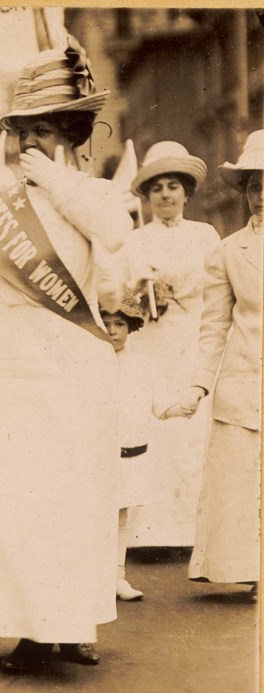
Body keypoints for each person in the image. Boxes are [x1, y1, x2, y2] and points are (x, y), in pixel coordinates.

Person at [0, 38, 132, 672]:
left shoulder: (93, 195)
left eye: (42, 132)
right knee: (18, 495)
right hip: (14, 362)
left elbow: (117, 233)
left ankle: (72, 623)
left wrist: (56, 180)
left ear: (70, 133)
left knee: (76, 496)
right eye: (23, 134)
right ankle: (27, 627)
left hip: (75, 362)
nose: (29, 146)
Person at [117, 141, 222, 549]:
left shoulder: (206, 235)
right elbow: (123, 301)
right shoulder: (135, 240)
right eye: (157, 187)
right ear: (146, 195)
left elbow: (218, 291)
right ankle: (152, 534)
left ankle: (194, 532)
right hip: (152, 344)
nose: (165, 195)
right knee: (156, 429)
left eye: (173, 186)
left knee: (193, 432)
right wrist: (142, 292)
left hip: (193, 340)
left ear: (186, 192)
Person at [174, 130, 263, 595]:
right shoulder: (228, 253)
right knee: (243, 486)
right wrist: (196, 387)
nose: (261, 195)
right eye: (253, 185)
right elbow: (213, 331)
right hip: (243, 385)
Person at [102, 295, 189, 602]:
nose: (112, 331)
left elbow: (161, 407)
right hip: (94, 456)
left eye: (120, 324)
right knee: (94, 515)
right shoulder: (87, 363)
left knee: (121, 513)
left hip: (129, 453)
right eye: (106, 323)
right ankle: (90, 579)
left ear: (132, 327)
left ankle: (116, 576)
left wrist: (182, 407)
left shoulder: (141, 365)